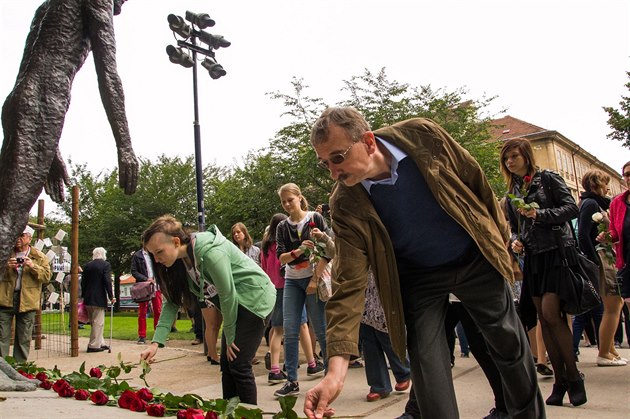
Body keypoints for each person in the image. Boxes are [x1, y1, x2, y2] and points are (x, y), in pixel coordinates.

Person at [305, 107, 544, 419]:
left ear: (368, 141)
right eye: (326, 164)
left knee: (509, 346)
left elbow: (476, 181)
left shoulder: (421, 135)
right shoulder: (345, 203)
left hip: (473, 259)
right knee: (428, 366)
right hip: (419, 278)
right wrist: (335, 373)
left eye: (338, 158)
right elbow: (348, 285)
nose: (334, 172)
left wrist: (500, 248)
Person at [0, 0, 138, 278]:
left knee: (5, 211)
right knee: (8, 221)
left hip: (22, 104)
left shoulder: (50, 5)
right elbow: (108, 74)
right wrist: (125, 145)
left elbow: (32, 70)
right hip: (41, 104)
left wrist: (51, 148)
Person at [139, 215, 275, 405]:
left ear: (176, 242)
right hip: (235, 304)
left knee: (239, 365)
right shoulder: (179, 262)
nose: (156, 258)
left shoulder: (210, 252)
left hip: (255, 300)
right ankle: (230, 413)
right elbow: (172, 302)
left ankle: (249, 414)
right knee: (227, 367)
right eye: (152, 254)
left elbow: (228, 294)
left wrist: (230, 332)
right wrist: (156, 343)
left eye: (159, 252)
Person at [501, 138, 586, 407]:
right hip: (533, 258)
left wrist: (541, 215)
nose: (510, 161)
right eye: (506, 158)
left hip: (557, 253)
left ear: (526, 156)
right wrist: (515, 241)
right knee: (542, 318)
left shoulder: (547, 178)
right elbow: (515, 226)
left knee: (552, 313)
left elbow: (572, 208)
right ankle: (561, 382)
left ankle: (573, 378)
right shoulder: (513, 189)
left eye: (514, 156)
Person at [274, 183, 328, 397]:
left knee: (320, 327)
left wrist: (315, 279)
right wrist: (299, 250)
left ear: (300, 198)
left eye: (290, 200)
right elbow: (282, 257)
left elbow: (328, 250)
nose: (287, 204)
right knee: (290, 329)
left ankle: (330, 376)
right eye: (283, 201)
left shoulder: (315, 218)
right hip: (292, 280)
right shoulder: (282, 227)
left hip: (312, 278)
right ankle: (291, 381)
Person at [577, 169, 627, 366]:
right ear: (596, 184)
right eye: (605, 183)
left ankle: (610, 350)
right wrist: (594, 262)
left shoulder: (595, 203)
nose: (608, 187)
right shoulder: (590, 203)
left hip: (605, 256)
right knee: (613, 305)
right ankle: (605, 352)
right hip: (602, 257)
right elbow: (583, 235)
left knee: (616, 304)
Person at [260, 214, 313, 385]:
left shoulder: (266, 246)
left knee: (276, 329)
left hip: (273, 288)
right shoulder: (283, 245)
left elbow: (264, 268)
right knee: (302, 325)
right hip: (289, 286)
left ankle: (275, 369)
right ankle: (312, 363)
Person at [0, 226, 51, 362]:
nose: (18, 239)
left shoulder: (39, 256)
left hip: (28, 301)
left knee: (23, 337)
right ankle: (2, 370)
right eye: (16, 235)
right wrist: (4, 266)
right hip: (5, 298)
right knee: (1, 336)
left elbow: (46, 277)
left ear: (29, 238)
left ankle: (19, 368)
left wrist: (33, 266)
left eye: (22, 235)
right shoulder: (4, 253)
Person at [601, 162, 630, 317]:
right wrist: (608, 236)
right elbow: (615, 232)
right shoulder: (617, 203)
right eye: (626, 174)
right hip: (627, 264)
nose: (629, 177)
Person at [81, 247, 115, 353]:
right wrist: (111, 296)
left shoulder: (87, 266)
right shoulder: (105, 265)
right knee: (98, 322)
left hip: (88, 298)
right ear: (103, 254)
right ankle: (93, 345)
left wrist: (84, 295)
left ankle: (101, 342)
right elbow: (107, 281)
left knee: (94, 322)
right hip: (99, 298)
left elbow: (83, 282)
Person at [130, 247, 163, 345]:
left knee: (158, 310)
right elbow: (134, 271)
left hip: (156, 286)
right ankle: (142, 336)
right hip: (144, 287)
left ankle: (158, 335)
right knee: (142, 312)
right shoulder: (137, 255)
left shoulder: (154, 253)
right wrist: (145, 279)